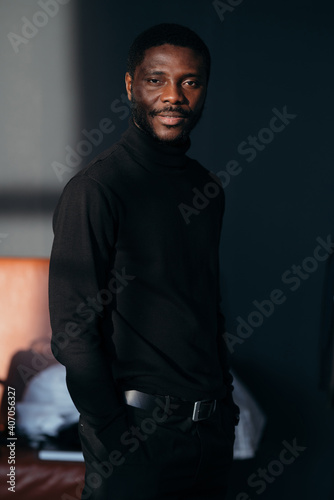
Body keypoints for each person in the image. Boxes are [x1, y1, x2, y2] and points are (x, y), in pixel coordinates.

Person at [49, 23, 240, 500]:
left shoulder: (207, 189)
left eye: (190, 81)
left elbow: (205, 307)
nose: (174, 95)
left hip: (210, 435)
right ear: (132, 85)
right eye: (157, 80)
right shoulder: (97, 189)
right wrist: (115, 435)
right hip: (136, 438)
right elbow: (73, 333)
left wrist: (226, 406)